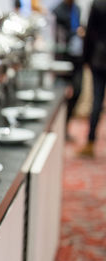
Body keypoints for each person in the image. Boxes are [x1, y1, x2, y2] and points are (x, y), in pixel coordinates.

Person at [53, 0, 84, 141]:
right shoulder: (58, 11)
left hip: (78, 58)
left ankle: (65, 125)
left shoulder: (77, 8)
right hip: (63, 58)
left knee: (77, 91)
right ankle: (59, 128)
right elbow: (58, 37)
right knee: (61, 94)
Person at [79, 0, 106, 157]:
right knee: (96, 102)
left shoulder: (98, 4)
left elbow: (90, 33)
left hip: (99, 58)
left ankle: (90, 142)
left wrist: (85, 58)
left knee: (97, 101)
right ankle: (89, 142)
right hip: (99, 58)